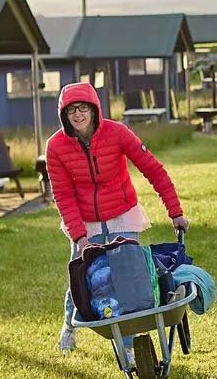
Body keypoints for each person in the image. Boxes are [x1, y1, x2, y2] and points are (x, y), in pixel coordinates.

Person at [47, 82, 188, 358]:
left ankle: (128, 344)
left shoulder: (117, 132)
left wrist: (176, 212)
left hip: (122, 213)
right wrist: (80, 237)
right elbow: (63, 195)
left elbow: (153, 170)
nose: (78, 114)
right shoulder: (56, 146)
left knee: (126, 276)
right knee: (82, 276)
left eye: (83, 108)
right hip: (85, 220)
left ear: (94, 109)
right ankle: (69, 327)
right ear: (64, 114)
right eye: (71, 110)